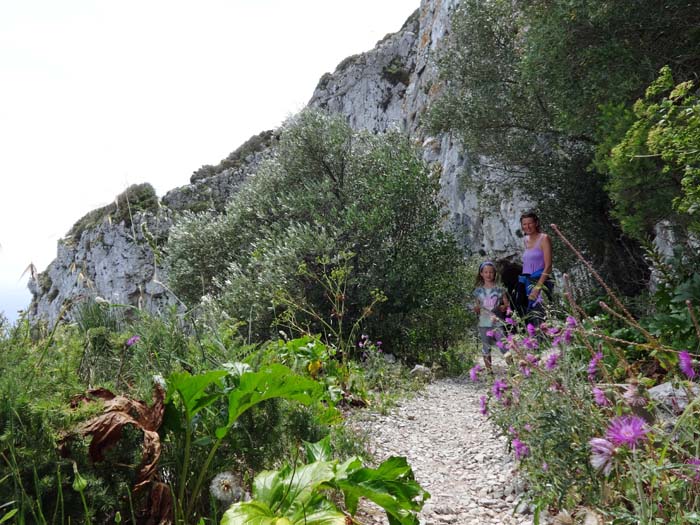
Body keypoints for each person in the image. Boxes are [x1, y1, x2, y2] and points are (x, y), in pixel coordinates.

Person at [473, 261, 510, 374]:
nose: (488, 274)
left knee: (504, 345)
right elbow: (476, 306)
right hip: (484, 323)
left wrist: (504, 307)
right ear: (481, 274)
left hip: (498, 322)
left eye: (491, 272)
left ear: (495, 274)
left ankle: (513, 370)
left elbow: (507, 304)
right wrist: (476, 309)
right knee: (486, 347)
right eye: (486, 272)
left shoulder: (500, 289)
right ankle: (489, 372)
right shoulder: (478, 291)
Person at [518, 212, 553, 326]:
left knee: (543, 316)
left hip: (541, 283)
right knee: (533, 317)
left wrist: (537, 287)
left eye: (530, 223)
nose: (527, 227)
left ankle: (550, 342)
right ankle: (538, 343)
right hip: (528, 283)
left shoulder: (544, 238)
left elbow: (548, 266)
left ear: (536, 223)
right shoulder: (525, 240)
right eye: (524, 224)